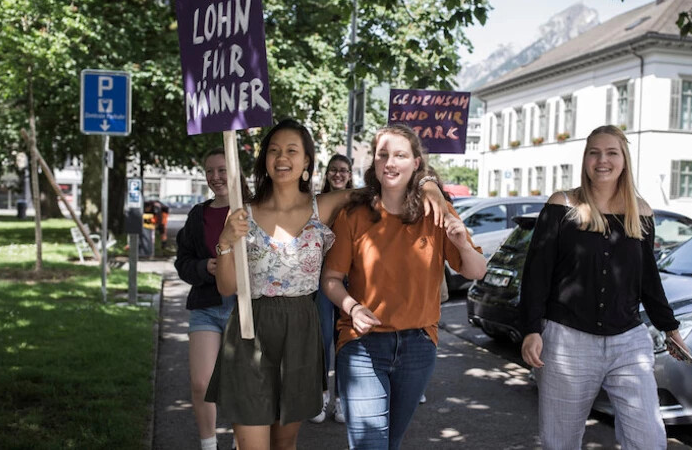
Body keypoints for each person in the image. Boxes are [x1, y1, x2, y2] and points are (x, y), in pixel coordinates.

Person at [205, 119, 447, 450]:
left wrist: (430, 182)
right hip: (250, 332)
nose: (281, 157)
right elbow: (227, 287)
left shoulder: (324, 207)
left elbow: (388, 183)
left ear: (307, 162)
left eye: (292, 150)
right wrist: (225, 240)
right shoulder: (243, 214)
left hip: (301, 333)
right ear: (264, 160)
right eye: (273, 150)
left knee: (284, 444)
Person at [518, 125, 692, 450]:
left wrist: (669, 328)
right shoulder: (562, 205)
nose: (602, 160)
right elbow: (536, 273)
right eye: (594, 152)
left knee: (649, 441)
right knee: (560, 443)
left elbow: (647, 278)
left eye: (611, 152)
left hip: (628, 342)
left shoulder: (640, 211)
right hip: (567, 340)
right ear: (585, 160)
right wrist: (531, 329)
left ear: (624, 159)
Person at [321, 124, 487, 449]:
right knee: (371, 444)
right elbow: (330, 279)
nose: (390, 163)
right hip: (362, 345)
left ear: (416, 163)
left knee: (391, 443)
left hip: (417, 346)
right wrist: (352, 307)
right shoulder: (354, 215)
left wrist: (462, 244)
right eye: (383, 155)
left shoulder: (436, 211)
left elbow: (477, 270)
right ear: (373, 163)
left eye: (400, 155)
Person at [174, 148, 249, 450]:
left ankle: (240, 441)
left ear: (234, 171)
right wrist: (204, 267)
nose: (215, 177)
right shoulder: (198, 214)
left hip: (244, 309)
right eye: (209, 171)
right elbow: (183, 262)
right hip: (206, 307)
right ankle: (208, 444)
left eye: (221, 170)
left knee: (240, 386)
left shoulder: (253, 210)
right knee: (202, 383)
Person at [310, 154, 354, 424]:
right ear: (327, 174)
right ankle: (321, 396)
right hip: (323, 278)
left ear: (350, 175)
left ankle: (341, 401)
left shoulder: (357, 204)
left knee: (345, 341)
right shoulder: (317, 204)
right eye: (334, 170)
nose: (338, 175)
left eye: (344, 171)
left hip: (351, 280)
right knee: (324, 338)